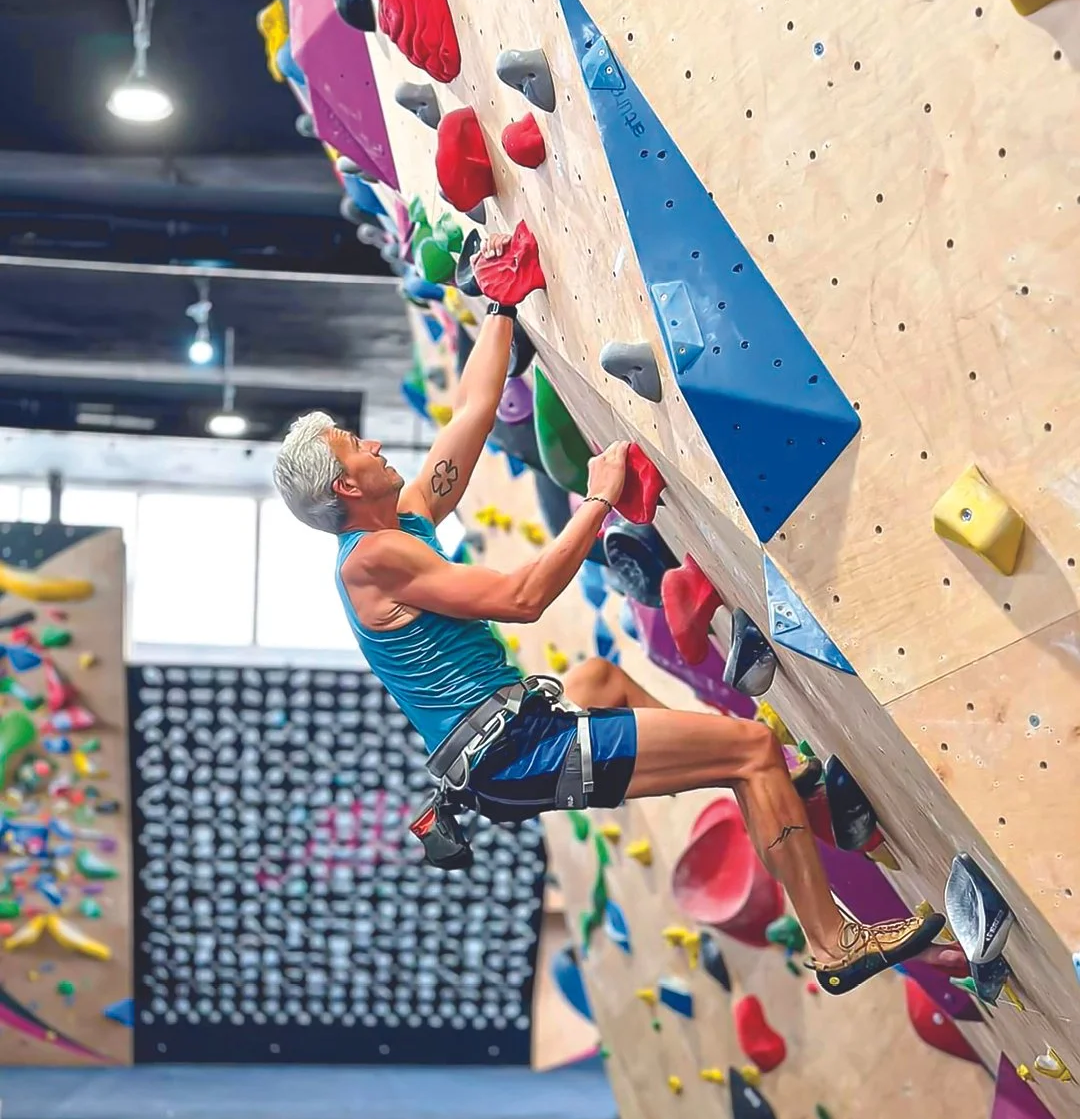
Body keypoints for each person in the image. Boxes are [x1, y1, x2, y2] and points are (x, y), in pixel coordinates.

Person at [273, 239, 964, 995]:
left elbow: (472, 409)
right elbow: (521, 599)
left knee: (600, 679)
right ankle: (834, 942)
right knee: (750, 749)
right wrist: (598, 498)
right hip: (515, 755)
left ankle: (771, 792)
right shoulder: (373, 559)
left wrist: (501, 303)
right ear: (346, 486)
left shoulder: (402, 522)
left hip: (517, 736)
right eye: (357, 446)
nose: (374, 443)